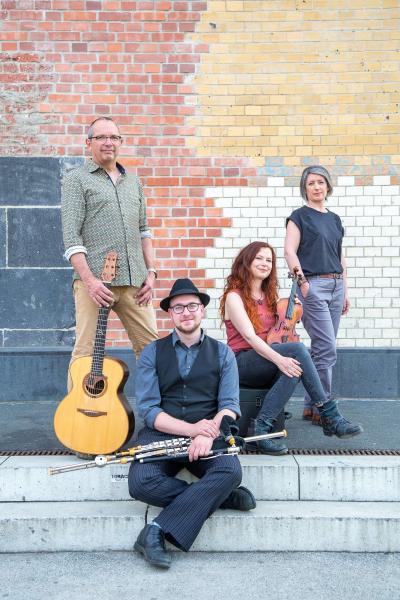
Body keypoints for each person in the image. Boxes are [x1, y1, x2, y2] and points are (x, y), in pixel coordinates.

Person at [129, 278, 256, 569]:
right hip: (162, 433)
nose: (185, 312)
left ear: (202, 310)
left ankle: (155, 531)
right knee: (140, 482)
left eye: (191, 306)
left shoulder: (223, 353)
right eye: (178, 308)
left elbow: (229, 406)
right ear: (170, 314)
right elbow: (149, 409)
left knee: (230, 471)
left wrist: (208, 434)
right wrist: (192, 430)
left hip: (209, 434)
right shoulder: (151, 352)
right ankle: (219, 498)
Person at [220, 241, 362, 456]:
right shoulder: (234, 296)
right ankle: (329, 415)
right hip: (241, 362)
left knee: (294, 366)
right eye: (259, 258)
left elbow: (277, 332)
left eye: (269, 260)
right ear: (246, 261)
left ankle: (261, 430)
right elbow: (250, 337)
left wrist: (293, 308)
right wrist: (280, 359)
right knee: (296, 352)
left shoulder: (269, 297)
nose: (265, 263)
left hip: (265, 359)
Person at [61, 116, 158, 386]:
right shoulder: (76, 180)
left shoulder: (133, 182)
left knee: (152, 351)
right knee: (85, 353)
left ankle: (155, 409)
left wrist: (151, 273)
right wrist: (90, 281)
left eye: (114, 137)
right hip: (94, 284)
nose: (108, 142)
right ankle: (77, 411)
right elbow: (71, 237)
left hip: (135, 283)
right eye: (101, 137)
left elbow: (144, 231)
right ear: (88, 143)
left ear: (120, 142)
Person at [284, 165, 348, 424]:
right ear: (305, 188)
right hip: (313, 287)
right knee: (327, 348)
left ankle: (311, 404)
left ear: (327, 186)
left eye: (320, 182)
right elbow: (289, 251)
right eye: (311, 183)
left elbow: (340, 257)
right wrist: (303, 283)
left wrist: (345, 290)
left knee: (321, 348)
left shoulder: (334, 220)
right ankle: (325, 407)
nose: (316, 187)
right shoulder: (298, 217)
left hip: (336, 286)